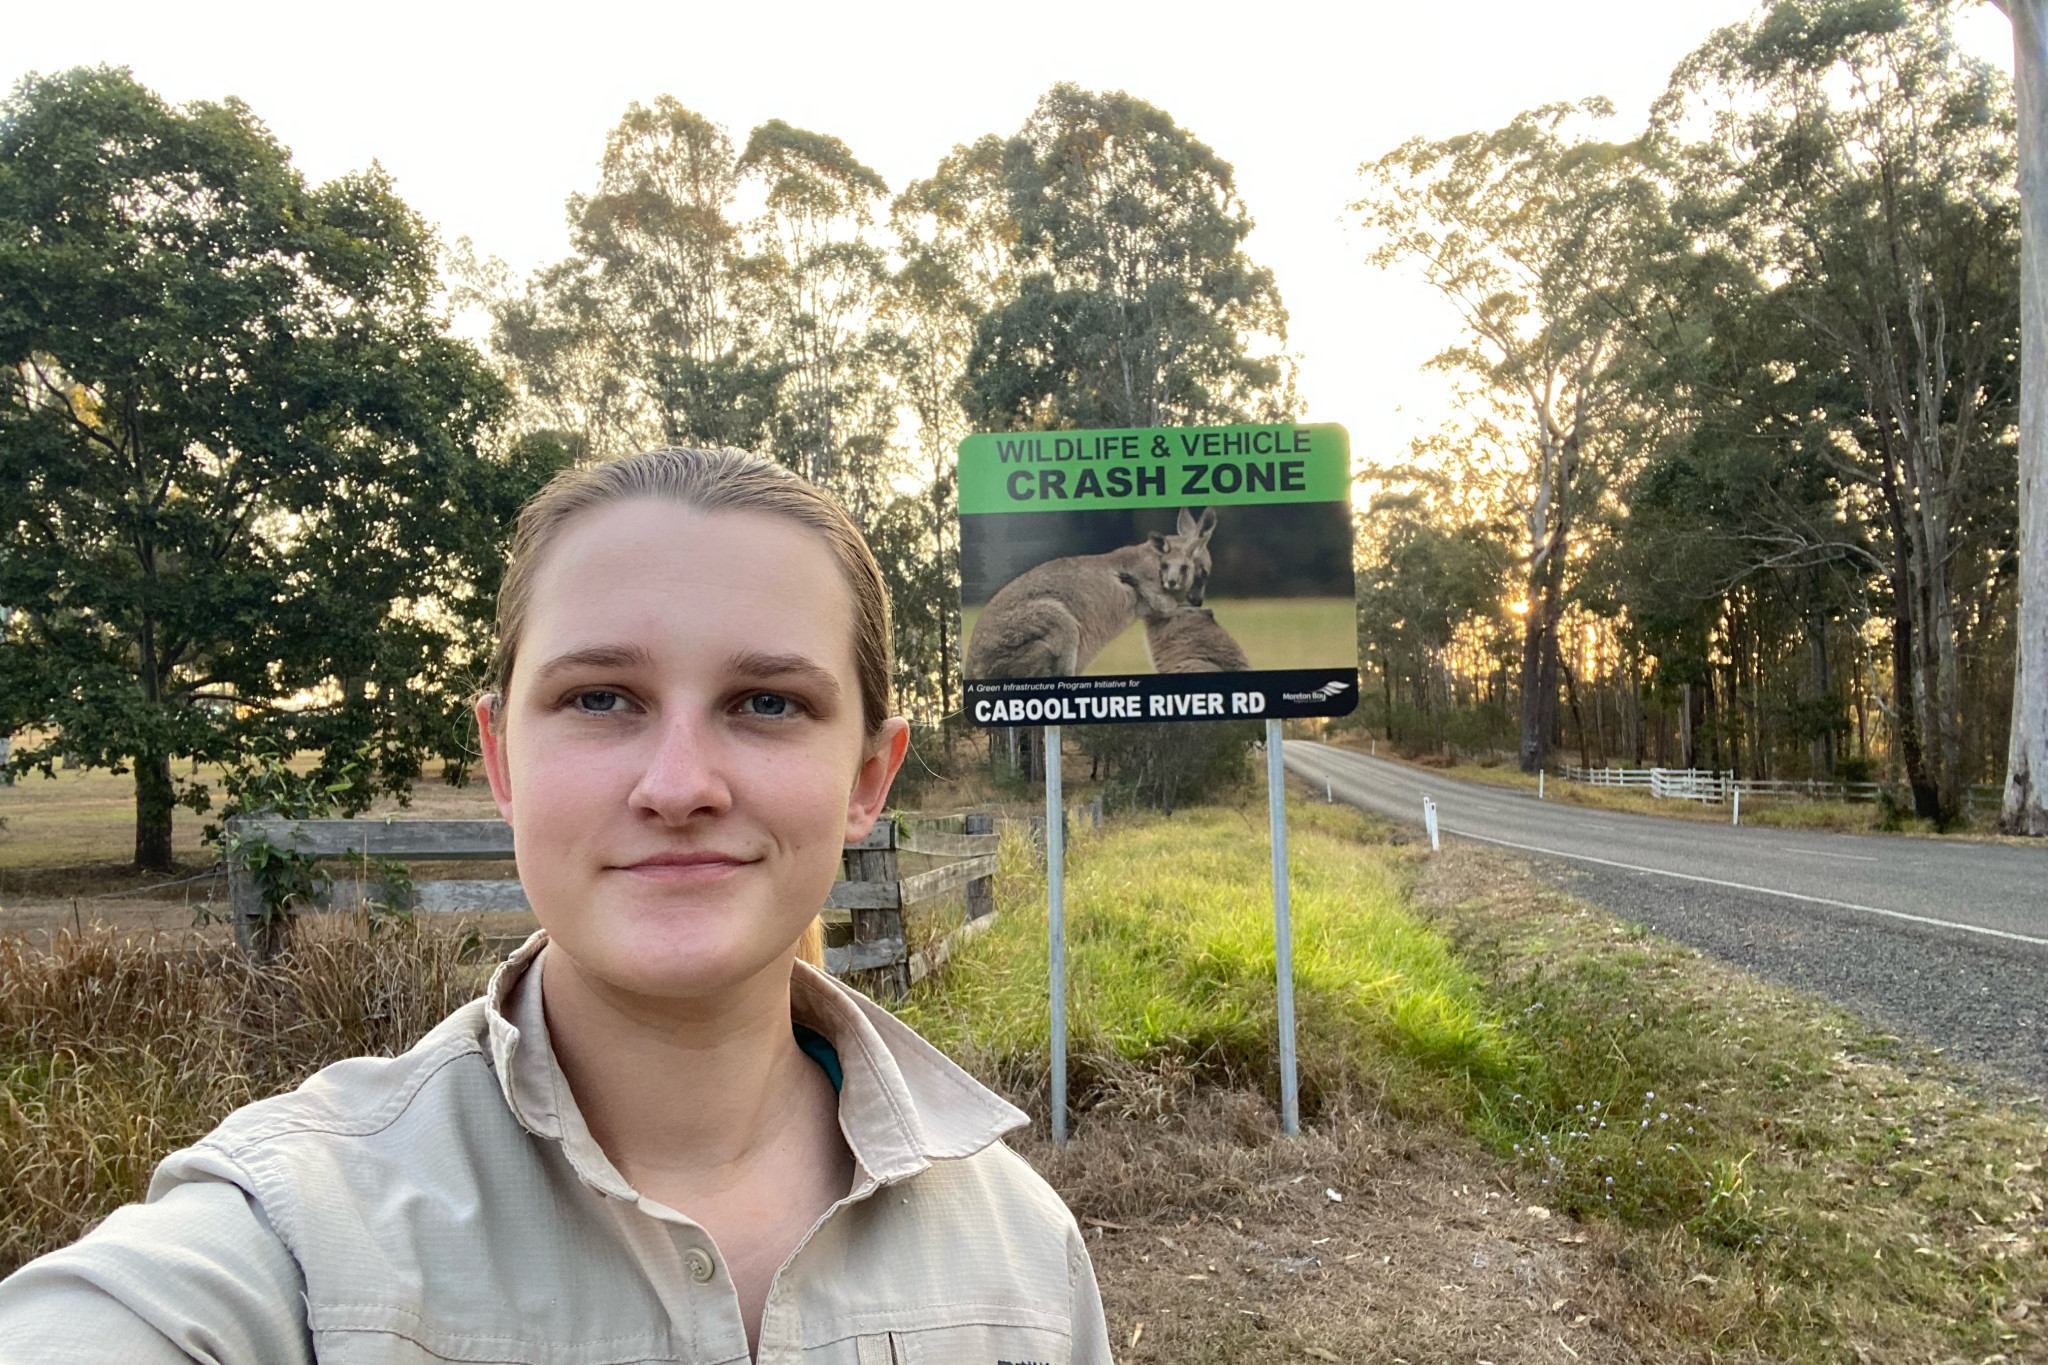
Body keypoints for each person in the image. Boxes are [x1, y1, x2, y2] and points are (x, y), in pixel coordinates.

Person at [0, 448, 1113, 1364]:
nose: (679, 784)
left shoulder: (1023, 1259)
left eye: (767, 701)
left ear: (869, 776)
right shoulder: (292, 1242)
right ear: (501, 757)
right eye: (599, 698)